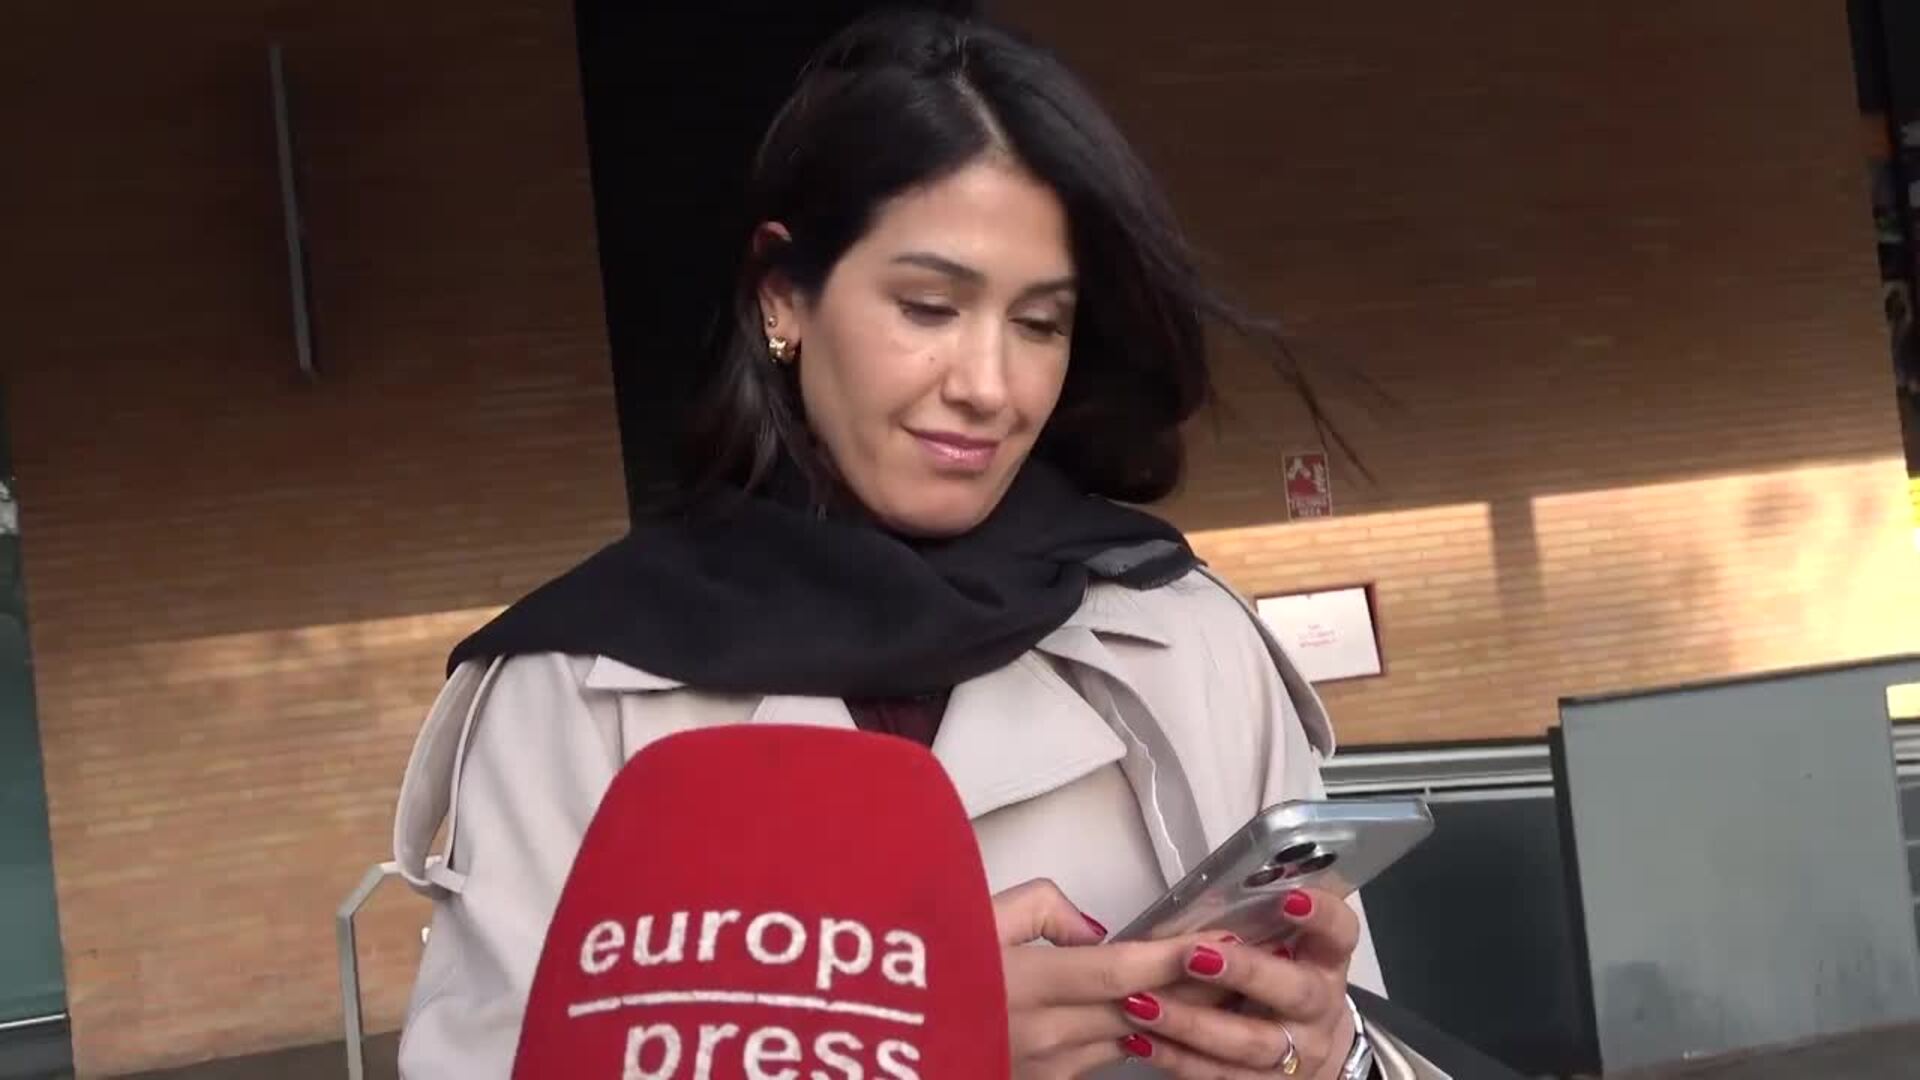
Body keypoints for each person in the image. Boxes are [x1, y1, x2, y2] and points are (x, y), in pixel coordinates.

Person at [392, 10, 1390, 1079]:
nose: (990, 387)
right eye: (927, 306)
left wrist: (1333, 1058)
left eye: (1039, 323)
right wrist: (904, 1051)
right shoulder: (573, 688)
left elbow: (1366, 1034)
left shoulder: (1188, 640)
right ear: (784, 296)